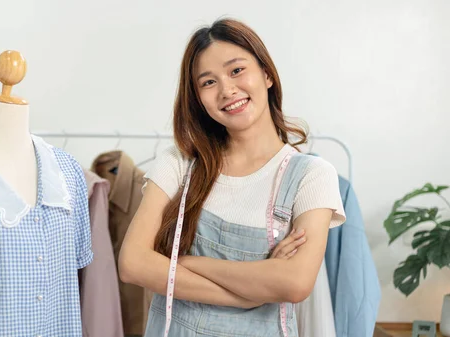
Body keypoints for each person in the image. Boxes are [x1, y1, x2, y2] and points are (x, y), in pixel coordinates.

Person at [118, 18, 346, 336]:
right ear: (198, 97)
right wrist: (250, 291)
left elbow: (294, 284)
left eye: (236, 70)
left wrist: (179, 263)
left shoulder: (311, 176)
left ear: (266, 73)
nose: (227, 90)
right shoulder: (179, 163)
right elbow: (132, 263)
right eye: (208, 82)